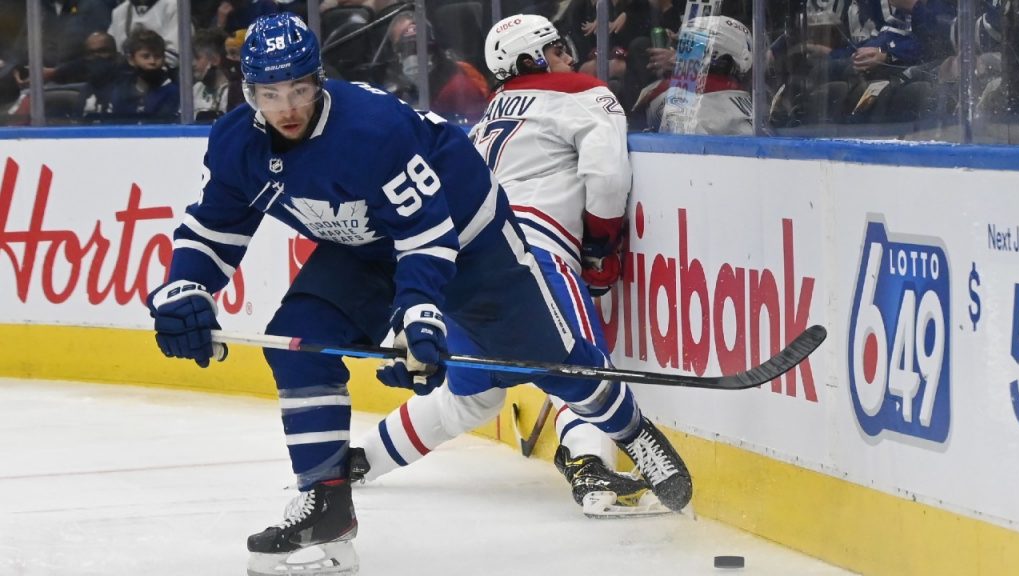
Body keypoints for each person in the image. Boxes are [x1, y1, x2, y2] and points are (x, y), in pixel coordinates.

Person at [145, 12, 691, 575]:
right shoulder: (237, 143)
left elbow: (427, 234)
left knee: (554, 362)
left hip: (471, 238)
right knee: (294, 344)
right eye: (269, 94)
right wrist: (185, 288)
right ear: (248, 91)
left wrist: (417, 316)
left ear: (319, 81)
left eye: (299, 90)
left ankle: (631, 430)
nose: (285, 107)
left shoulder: (369, 130)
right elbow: (212, 230)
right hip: (364, 247)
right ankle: (326, 508)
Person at [350, 13, 663, 517]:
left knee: (470, 398)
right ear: (531, 58)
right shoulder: (582, 91)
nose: (568, 54)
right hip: (536, 254)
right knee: (581, 368)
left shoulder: (490, 113)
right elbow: (606, 180)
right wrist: (600, 250)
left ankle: (358, 458)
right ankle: (592, 474)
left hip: (469, 264)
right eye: (557, 46)